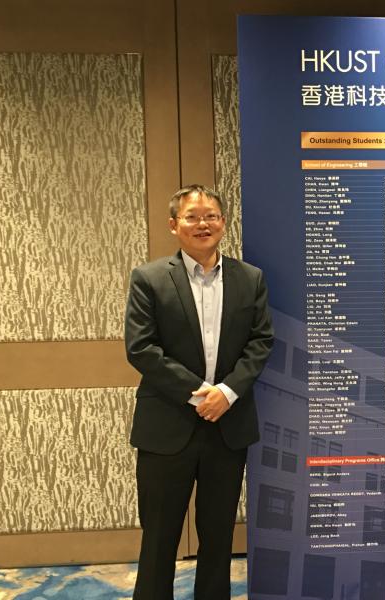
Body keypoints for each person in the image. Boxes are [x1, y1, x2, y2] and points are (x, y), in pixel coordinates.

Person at [125, 184, 274, 600]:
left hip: (228, 427)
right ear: (174, 225)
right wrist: (198, 393)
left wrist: (227, 392)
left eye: (210, 215)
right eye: (192, 216)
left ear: (223, 223)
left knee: (218, 539)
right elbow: (141, 348)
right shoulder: (149, 279)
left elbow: (261, 342)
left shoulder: (250, 279)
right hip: (166, 427)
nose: (202, 223)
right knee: (159, 540)